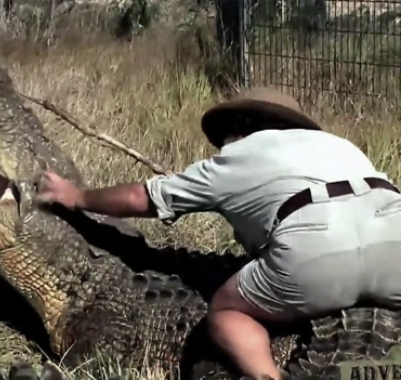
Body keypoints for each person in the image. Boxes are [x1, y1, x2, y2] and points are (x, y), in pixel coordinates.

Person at [34, 87, 401, 380]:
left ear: (240, 128)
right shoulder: (338, 145)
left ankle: (265, 376)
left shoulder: (237, 156)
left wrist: (77, 195)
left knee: (225, 311)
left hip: (316, 249)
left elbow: (139, 197)